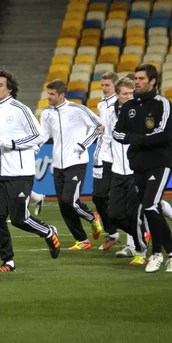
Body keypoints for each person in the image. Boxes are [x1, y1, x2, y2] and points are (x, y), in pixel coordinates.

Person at [0, 70, 60, 272]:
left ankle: (47, 231)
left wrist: (12, 143)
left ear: (10, 89)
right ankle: (8, 261)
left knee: (19, 219)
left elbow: (39, 135)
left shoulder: (20, 109)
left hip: (20, 174)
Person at [112, 64, 172, 273]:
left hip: (160, 163)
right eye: (136, 78)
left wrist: (135, 139)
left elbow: (163, 134)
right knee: (148, 208)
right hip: (138, 164)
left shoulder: (163, 104)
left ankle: (158, 254)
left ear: (153, 81)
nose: (137, 82)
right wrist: (140, 140)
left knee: (151, 205)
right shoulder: (129, 106)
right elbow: (117, 133)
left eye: (142, 78)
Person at [40, 79, 103, 250]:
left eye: (52, 94)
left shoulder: (78, 109)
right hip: (58, 165)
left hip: (76, 162)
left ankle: (92, 217)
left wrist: (84, 144)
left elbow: (99, 126)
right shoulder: (47, 113)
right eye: (48, 93)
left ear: (61, 95)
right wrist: (31, 148)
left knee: (71, 201)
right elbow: (43, 135)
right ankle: (82, 240)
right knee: (64, 205)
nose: (49, 97)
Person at [104, 77, 149, 265]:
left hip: (135, 171)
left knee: (134, 213)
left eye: (131, 93)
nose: (129, 96)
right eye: (125, 94)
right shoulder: (108, 111)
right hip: (117, 170)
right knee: (113, 214)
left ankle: (141, 251)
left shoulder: (141, 110)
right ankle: (142, 235)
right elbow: (107, 137)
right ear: (117, 95)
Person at [93, 72, 121, 250]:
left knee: (126, 198)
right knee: (98, 196)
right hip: (103, 156)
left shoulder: (121, 104)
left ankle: (140, 234)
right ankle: (113, 232)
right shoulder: (101, 104)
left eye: (107, 85)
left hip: (118, 157)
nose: (104, 88)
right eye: (102, 85)